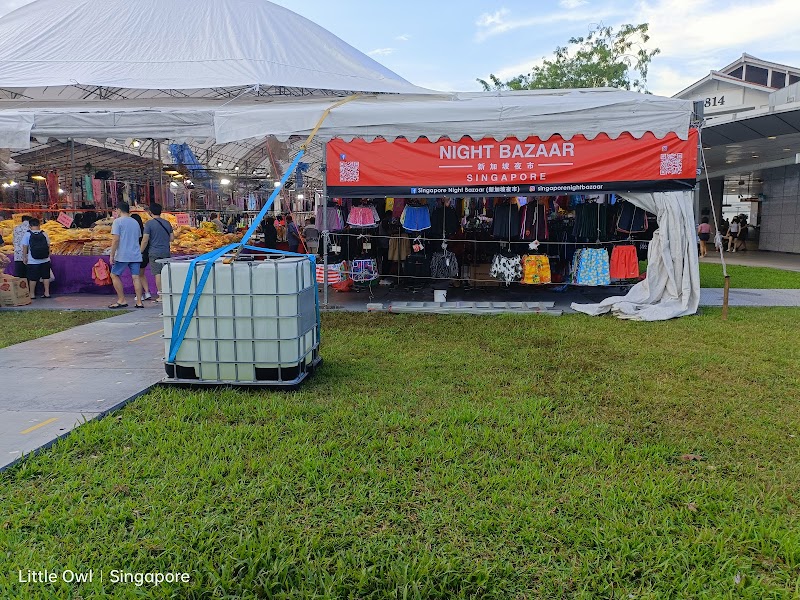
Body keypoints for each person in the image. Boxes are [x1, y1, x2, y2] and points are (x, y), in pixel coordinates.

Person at [108, 201, 144, 308]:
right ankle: (139, 302)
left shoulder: (117, 222)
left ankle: (121, 299)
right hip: (135, 254)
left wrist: (112, 255)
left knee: (114, 275)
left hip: (122, 255)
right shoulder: (135, 222)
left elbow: (115, 240)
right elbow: (138, 237)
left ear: (118, 210)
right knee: (136, 277)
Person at [140, 202, 174, 302]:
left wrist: (140, 251)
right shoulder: (167, 223)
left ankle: (161, 295)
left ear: (150, 212)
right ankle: (168, 293)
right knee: (166, 273)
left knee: (158, 273)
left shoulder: (149, 224)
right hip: (166, 251)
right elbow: (172, 238)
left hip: (154, 252)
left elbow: (145, 239)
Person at [22, 218, 52, 299]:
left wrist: (24, 257)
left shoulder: (27, 234)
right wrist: (48, 256)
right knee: (46, 277)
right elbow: (49, 246)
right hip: (45, 259)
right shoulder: (44, 233)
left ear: (30, 226)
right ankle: (47, 293)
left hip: (33, 260)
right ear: (39, 225)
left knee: (33, 278)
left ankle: (32, 294)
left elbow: (25, 247)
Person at [130, 213, 152, 300]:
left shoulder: (133, 231)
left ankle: (139, 295)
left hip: (137, 254)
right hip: (146, 255)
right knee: (141, 274)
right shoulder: (145, 229)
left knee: (136, 276)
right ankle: (147, 292)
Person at [12, 215, 31, 280]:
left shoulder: (16, 228)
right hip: (29, 256)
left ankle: (22, 290)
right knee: (30, 276)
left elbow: (14, 241)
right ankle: (30, 290)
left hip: (17, 255)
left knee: (20, 278)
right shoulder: (31, 228)